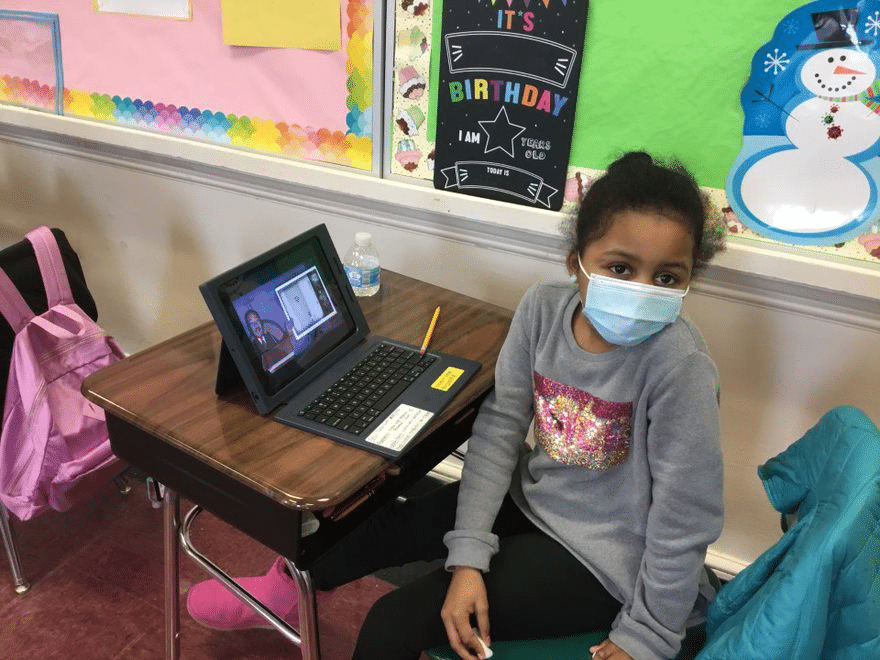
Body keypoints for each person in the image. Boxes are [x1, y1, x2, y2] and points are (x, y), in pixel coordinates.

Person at [186, 151, 727, 660]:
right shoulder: (542, 310)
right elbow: (499, 429)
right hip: (535, 498)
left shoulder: (679, 365)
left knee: (392, 622)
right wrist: (469, 554)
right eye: (620, 268)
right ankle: (280, 594)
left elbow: (685, 519)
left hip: (605, 560)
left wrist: (649, 633)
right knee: (377, 528)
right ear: (576, 261)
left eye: (667, 278)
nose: (641, 291)